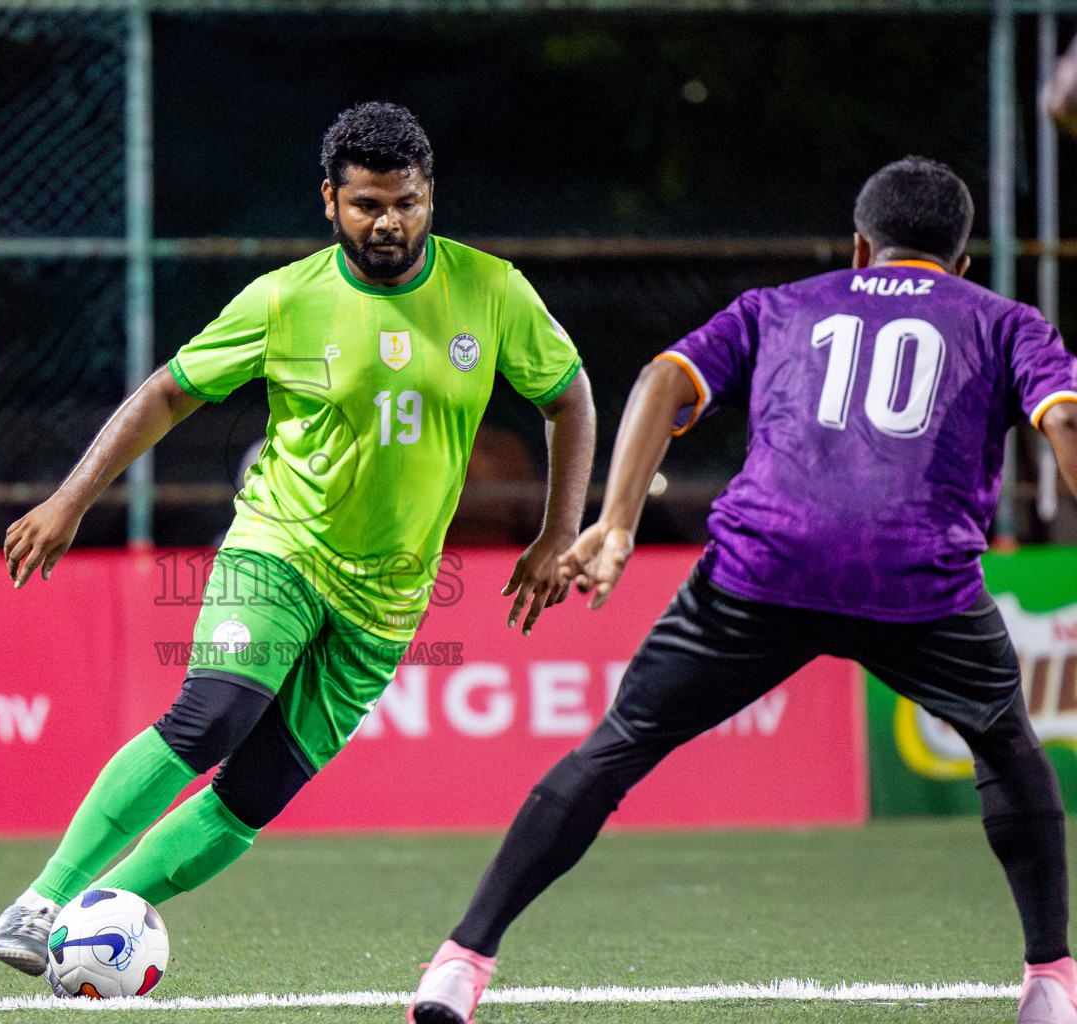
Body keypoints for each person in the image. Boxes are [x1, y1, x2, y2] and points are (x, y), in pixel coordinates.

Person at [409, 156, 1077, 1024]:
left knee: (617, 746)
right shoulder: (1006, 322)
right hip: (917, 580)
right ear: (963, 262)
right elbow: (1062, 420)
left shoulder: (779, 306)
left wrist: (616, 521)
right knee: (1009, 754)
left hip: (765, 567)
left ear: (860, 245)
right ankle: (1051, 983)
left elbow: (661, 382)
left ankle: (460, 963)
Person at [0, 102, 596, 984]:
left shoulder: (492, 291)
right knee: (213, 717)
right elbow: (168, 391)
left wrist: (557, 533)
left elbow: (568, 397)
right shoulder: (285, 299)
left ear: (431, 196)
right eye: (367, 204)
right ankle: (43, 901)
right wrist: (72, 500)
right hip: (281, 548)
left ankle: (87, 921)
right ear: (329, 201)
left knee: (255, 793)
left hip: (388, 598)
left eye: (408, 202)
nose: (389, 221)